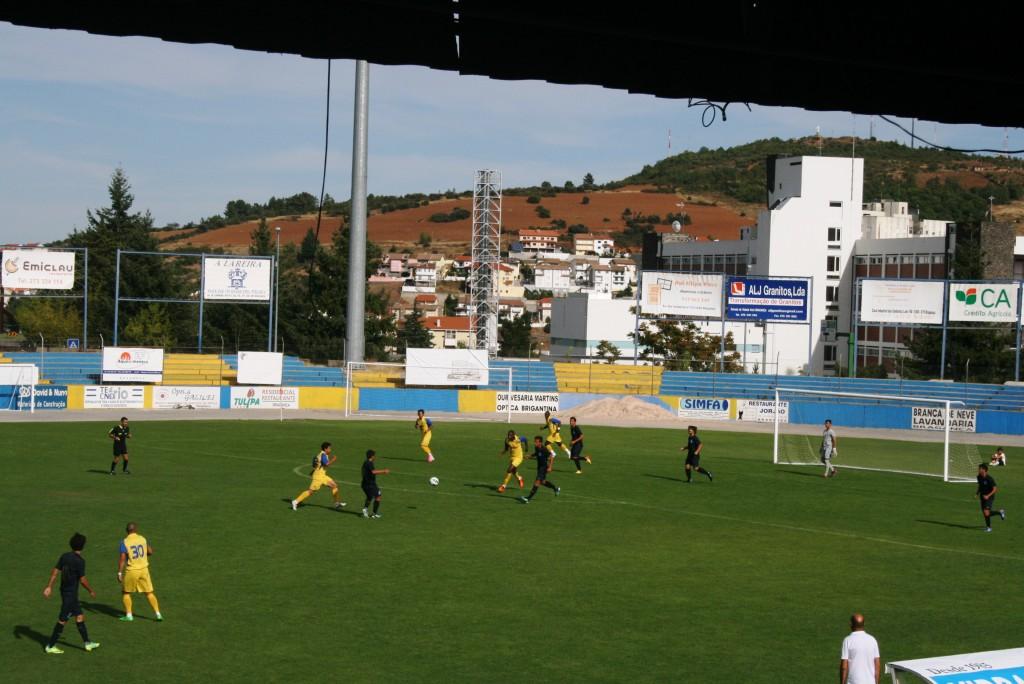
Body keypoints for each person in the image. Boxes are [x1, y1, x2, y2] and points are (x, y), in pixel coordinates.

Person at [42, 532, 100, 655]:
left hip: (66, 592)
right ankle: (50, 646)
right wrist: (91, 590)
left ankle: (87, 643)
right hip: (70, 596)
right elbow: (83, 580)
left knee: (79, 616)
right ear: (83, 546)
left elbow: (55, 572)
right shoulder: (80, 561)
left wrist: (49, 586)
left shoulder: (65, 556)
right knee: (62, 620)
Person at [117, 522, 162, 622]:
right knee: (149, 593)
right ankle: (158, 614)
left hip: (132, 570)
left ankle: (129, 615)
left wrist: (119, 573)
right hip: (144, 570)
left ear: (127, 531)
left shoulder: (124, 542)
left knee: (126, 592)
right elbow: (150, 552)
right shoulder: (142, 539)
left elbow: (122, 559)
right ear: (136, 530)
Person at [291, 442, 346, 511]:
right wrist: (333, 460)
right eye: (329, 448)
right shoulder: (323, 455)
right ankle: (295, 502)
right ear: (325, 449)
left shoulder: (323, 454)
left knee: (334, 486)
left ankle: (337, 503)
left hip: (322, 476)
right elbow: (326, 464)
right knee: (310, 491)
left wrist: (312, 471)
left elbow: (317, 465)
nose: (330, 450)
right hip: (319, 477)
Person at [839, 613, 880, 684]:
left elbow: (844, 667)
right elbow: (877, 665)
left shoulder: (848, 640)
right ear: (864, 624)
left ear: (851, 624)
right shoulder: (872, 640)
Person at [518, 436, 560, 503]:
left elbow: (551, 456)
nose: (535, 443)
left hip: (543, 468)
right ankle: (556, 489)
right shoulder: (537, 448)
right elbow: (536, 454)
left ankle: (528, 498)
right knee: (542, 482)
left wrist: (550, 467)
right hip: (539, 467)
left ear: (540, 442)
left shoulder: (544, 449)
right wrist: (530, 456)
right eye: (535, 442)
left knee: (537, 482)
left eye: (536, 442)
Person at [976, 463, 1006, 532]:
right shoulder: (979, 477)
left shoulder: (989, 479)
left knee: (986, 512)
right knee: (986, 514)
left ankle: (989, 527)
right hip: (982, 497)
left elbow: (995, 489)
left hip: (989, 497)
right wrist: (977, 493)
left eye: (980, 469)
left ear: (984, 470)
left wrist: (988, 496)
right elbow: (980, 486)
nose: (978, 470)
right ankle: (999, 514)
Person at [361, 450, 390, 519]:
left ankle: (365, 509)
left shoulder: (366, 462)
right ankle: (374, 514)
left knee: (370, 497)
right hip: (370, 484)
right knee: (378, 496)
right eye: (374, 456)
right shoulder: (369, 463)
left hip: (365, 484)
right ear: (372, 456)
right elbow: (373, 472)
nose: (375, 457)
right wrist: (384, 471)